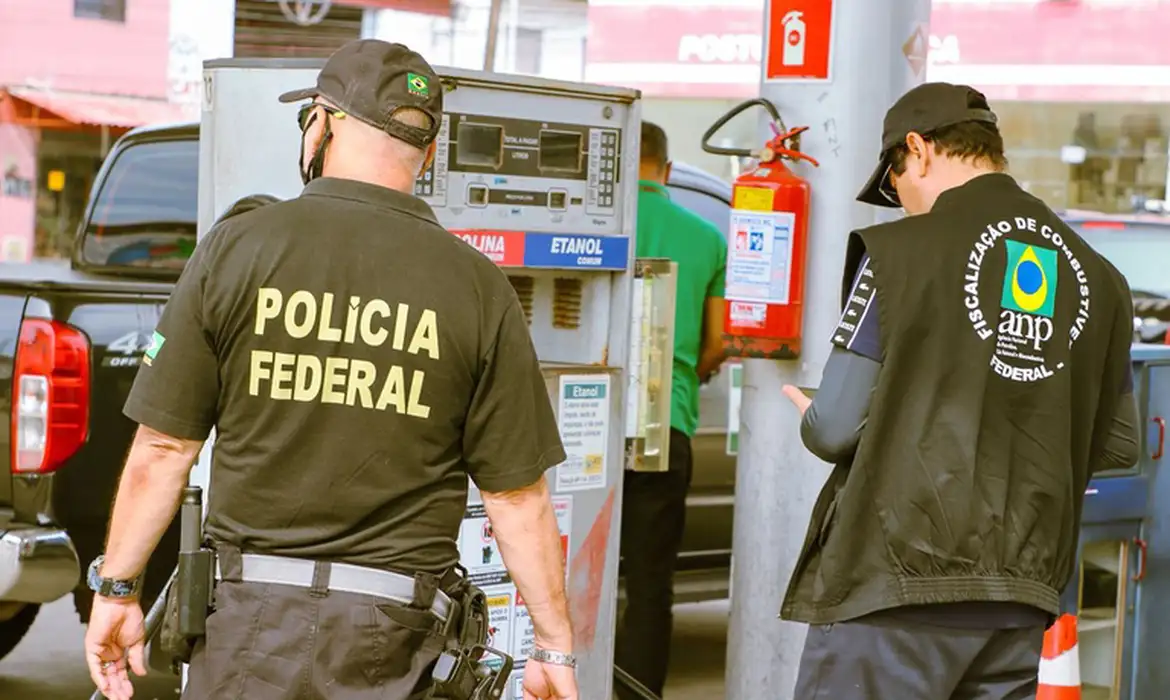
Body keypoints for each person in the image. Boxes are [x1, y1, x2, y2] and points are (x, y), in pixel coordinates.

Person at [83, 39, 578, 700]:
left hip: (246, 630)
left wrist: (118, 589)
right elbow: (516, 497)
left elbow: (164, 449)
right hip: (396, 643)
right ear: (427, 153)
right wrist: (553, 646)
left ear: (322, 122)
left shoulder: (237, 249)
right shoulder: (479, 287)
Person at [778, 82, 1141, 699]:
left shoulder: (901, 254)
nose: (902, 204)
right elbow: (1118, 446)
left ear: (917, 150)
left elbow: (835, 427)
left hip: (892, 589)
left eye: (894, 184)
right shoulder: (1100, 278)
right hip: (1020, 599)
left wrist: (822, 414)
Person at [614, 121, 727, 698]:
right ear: (668, 169)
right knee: (650, 584)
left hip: (578, 427)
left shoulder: (598, 223)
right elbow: (718, 343)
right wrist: (693, 373)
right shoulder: (706, 236)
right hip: (665, 425)